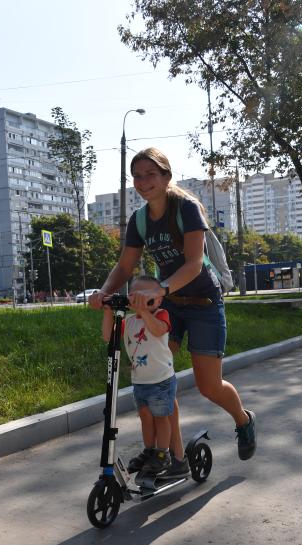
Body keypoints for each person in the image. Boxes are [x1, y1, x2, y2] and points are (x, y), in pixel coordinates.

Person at [90, 147, 256, 469]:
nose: (142, 181)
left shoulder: (187, 208)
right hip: (169, 305)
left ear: (166, 176)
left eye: (150, 174)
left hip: (204, 304)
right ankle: (174, 458)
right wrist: (104, 292)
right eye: (136, 176)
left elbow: (194, 264)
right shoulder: (139, 220)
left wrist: (161, 288)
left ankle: (243, 419)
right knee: (160, 376)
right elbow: (125, 267)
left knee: (209, 386)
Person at [102, 275, 178, 477]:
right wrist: (109, 310)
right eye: (135, 295)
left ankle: (163, 454)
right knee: (145, 417)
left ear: (158, 299)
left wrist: (144, 310)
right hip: (140, 381)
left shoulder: (162, 315)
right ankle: (149, 450)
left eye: (146, 296)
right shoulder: (129, 321)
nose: (139, 300)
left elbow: (158, 330)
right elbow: (108, 337)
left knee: (161, 418)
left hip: (161, 379)